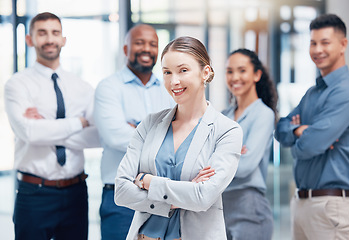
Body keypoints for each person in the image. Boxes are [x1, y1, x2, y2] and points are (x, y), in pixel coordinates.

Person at [114, 36, 243, 240]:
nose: (174, 81)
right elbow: (121, 191)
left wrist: (147, 181)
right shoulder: (149, 124)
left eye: (183, 70)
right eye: (167, 72)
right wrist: (177, 198)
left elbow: (203, 197)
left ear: (205, 72)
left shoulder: (227, 131)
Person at [4, 12, 100, 240]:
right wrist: (79, 122)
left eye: (55, 33)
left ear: (63, 39)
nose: (49, 39)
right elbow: (28, 132)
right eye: (42, 33)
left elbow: (97, 136)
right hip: (34, 193)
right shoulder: (17, 84)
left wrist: (45, 129)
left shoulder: (83, 87)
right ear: (30, 39)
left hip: (76, 192)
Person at [275, 14, 349, 240]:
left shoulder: (346, 92)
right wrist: (299, 130)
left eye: (325, 42)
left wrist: (302, 140)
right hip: (302, 202)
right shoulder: (313, 93)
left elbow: (309, 145)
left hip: (330, 205)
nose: (317, 49)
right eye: (313, 43)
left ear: (343, 44)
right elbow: (280, 129)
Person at [94, 24, 174, 240]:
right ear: (125, 48)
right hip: (121, 197)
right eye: (139, 43)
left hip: (162, 194)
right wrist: (164, 134)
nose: (146, 48)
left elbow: (182, 133)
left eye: (153, 44)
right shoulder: (108, 87)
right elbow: (115, 136)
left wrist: (137, 129)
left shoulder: (169, 89)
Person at [222, 48, 277, 240]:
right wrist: (232, 153)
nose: (235, 77)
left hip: (249, 206)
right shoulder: (223, 116)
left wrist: (217, 155)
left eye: (242, 70)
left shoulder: (263, 114)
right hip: (219, 208)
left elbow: (245, 166)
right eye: (229, 71)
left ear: (256, 74)